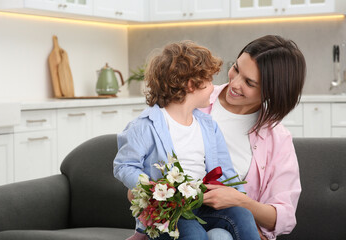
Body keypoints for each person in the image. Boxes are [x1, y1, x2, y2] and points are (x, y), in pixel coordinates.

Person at [113, 41, 261, 240]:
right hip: (171, 211)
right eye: (208, 80)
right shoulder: (144, 125)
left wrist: (239, 198)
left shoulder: (208, 126)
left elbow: (226, 171)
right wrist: (150, 187)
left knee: (242, 215)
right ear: (191, 84)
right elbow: (124, 165)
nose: (213, 88)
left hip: (203, 204)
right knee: (194, 235)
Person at [201, 35, 306, 240]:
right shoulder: (194, 100)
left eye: (249, 82)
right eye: (236, 68)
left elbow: (282, 217)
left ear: (272, 92)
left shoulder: (277, 138)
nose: (235, 83)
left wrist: (240, 202)